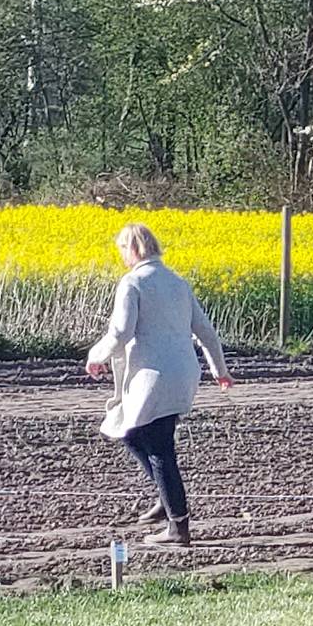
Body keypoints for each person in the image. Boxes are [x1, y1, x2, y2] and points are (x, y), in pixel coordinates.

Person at [83, 223, 234, 544]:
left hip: (153, 378)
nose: (121, 255)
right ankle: (167, 501)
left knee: (159, 448)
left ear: (133, 249)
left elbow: (121, 332)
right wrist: (219, 370)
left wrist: (96, 356)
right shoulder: (178, 283)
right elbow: (206, 333)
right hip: (183, 374)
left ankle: (178, 526)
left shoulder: (133, 283)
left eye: (122, 249)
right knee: (131, 432)